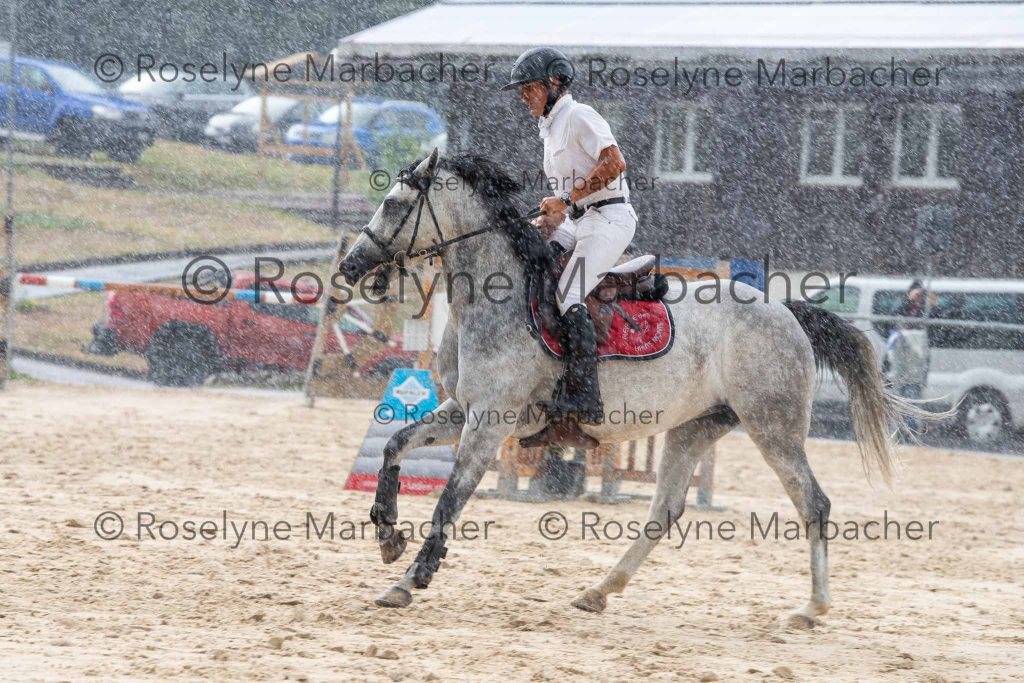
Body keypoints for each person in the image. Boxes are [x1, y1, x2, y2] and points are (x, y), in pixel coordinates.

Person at [502, 47, 637, 425]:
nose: (523, 95)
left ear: (555, 82)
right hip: (581, 220)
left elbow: (615, 163)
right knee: (530, 260)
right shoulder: (550, 129)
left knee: (569, 293)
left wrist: (564, 200)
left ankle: (586, 397)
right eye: (521, 89)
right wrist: (552, 219)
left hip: (610, 218)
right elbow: (567, 200)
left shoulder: (579, 115)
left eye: (529, 87)